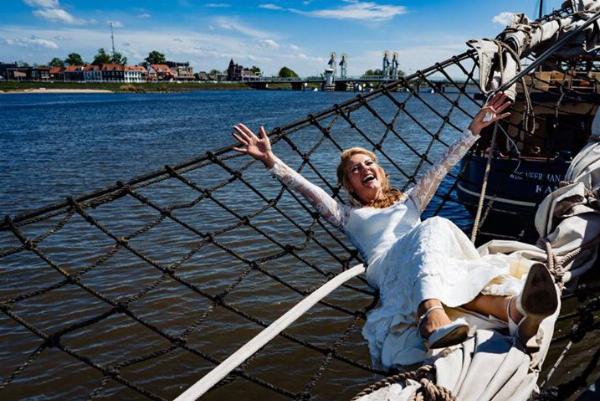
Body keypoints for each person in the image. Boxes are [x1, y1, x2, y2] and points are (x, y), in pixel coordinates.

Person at [232, 93, 558, 369]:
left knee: (439, 238)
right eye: (354, 170)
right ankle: (431, 315)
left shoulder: (410, 200)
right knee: (434, 226)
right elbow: (306, 189)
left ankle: (515, 310)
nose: (363, 169)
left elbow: (443, 165)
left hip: (427, 257)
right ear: (349, 185)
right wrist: (271, 161)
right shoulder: (347, 215)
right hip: (385, 264)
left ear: (380, 172)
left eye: (368, 163)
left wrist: (474, 129)